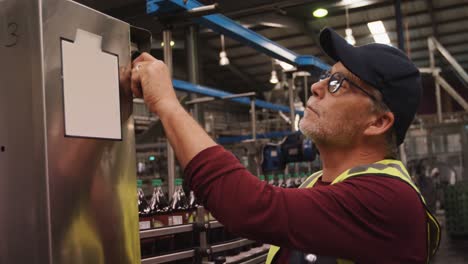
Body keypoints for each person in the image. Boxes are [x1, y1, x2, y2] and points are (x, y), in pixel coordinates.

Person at [127, 27, 440, 263]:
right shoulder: (317, 183)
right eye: (325, 76)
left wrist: (166, 104)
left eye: (338, 83)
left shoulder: (389, 200)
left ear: (378, 122)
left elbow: (248, 206)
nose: (317, 87)